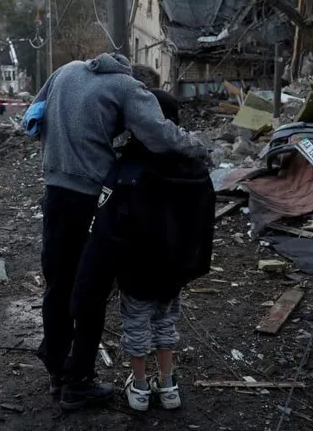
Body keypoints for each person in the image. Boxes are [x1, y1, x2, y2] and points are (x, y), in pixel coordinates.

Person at [28, 53, 206, 411]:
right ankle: (78, 382)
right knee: (90, 290)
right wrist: (198, 147)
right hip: (92, 200)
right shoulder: (127, 87)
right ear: (138, 80)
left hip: (55, 192)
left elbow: (33, 115)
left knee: (58, 283)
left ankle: (56, 370)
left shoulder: (66, 70)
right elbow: (159, 135)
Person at [102, 88, 214, 412]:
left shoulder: (130, 166)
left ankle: (138, 387)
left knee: (136, 323)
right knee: (167, 322)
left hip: (137, 267)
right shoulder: (194, 168)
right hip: (175, 266)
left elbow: (113, 219)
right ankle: (167, 386)